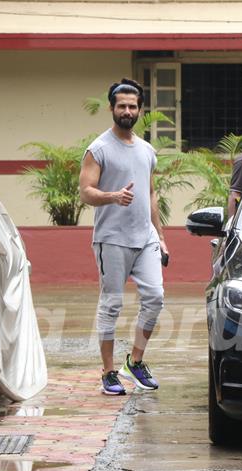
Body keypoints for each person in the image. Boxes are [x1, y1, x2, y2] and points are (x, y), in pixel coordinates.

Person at [79, 78, 167, 396]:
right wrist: (113, 196)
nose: (127, 111)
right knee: (111, 305)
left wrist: (161, 235)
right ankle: (108, 371)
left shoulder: (147, 150)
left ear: (140, 110)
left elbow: (152, 194)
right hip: (112, 238)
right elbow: (86, 192)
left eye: (132, 106)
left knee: (155, 298)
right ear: (112, 108)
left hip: (145, 238)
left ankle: (135, 361)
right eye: (121, 106)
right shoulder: (99, 149)